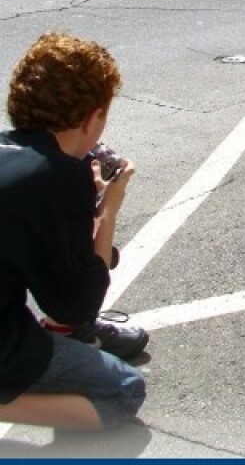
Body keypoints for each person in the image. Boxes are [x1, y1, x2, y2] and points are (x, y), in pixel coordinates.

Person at [0, 33, 146, 430]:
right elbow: (75, 306)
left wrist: (80, 205)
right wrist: (107, 209)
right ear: (90, 118)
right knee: (125, 389)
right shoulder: (58, 176)